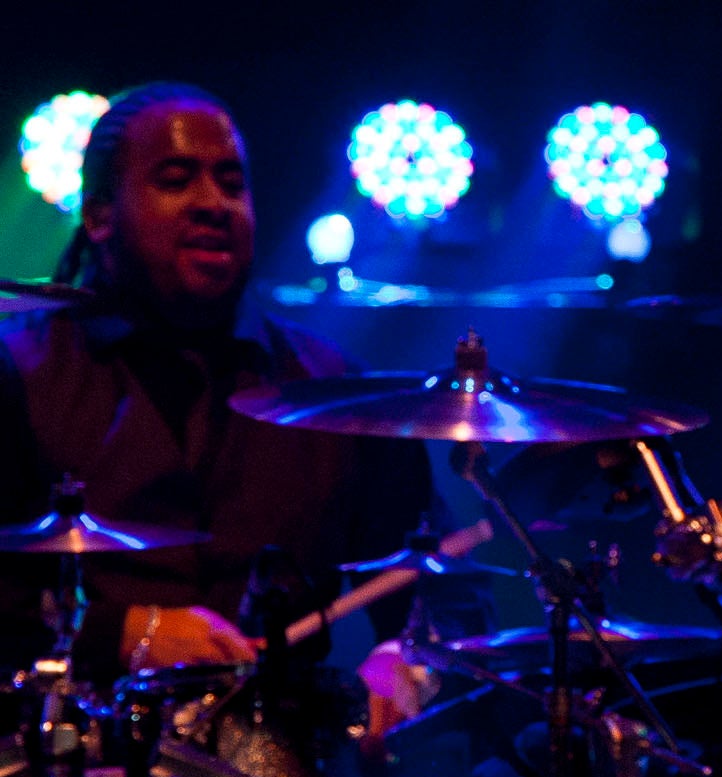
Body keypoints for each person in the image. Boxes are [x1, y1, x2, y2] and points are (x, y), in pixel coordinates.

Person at [0, 82, 447, 739]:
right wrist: (120, 632)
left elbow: (445, 578)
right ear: (100, 217)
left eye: (232, 183)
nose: (214, 204)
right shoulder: (20, 372)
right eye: (177, 180)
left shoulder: (335, 390)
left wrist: (406, 658)